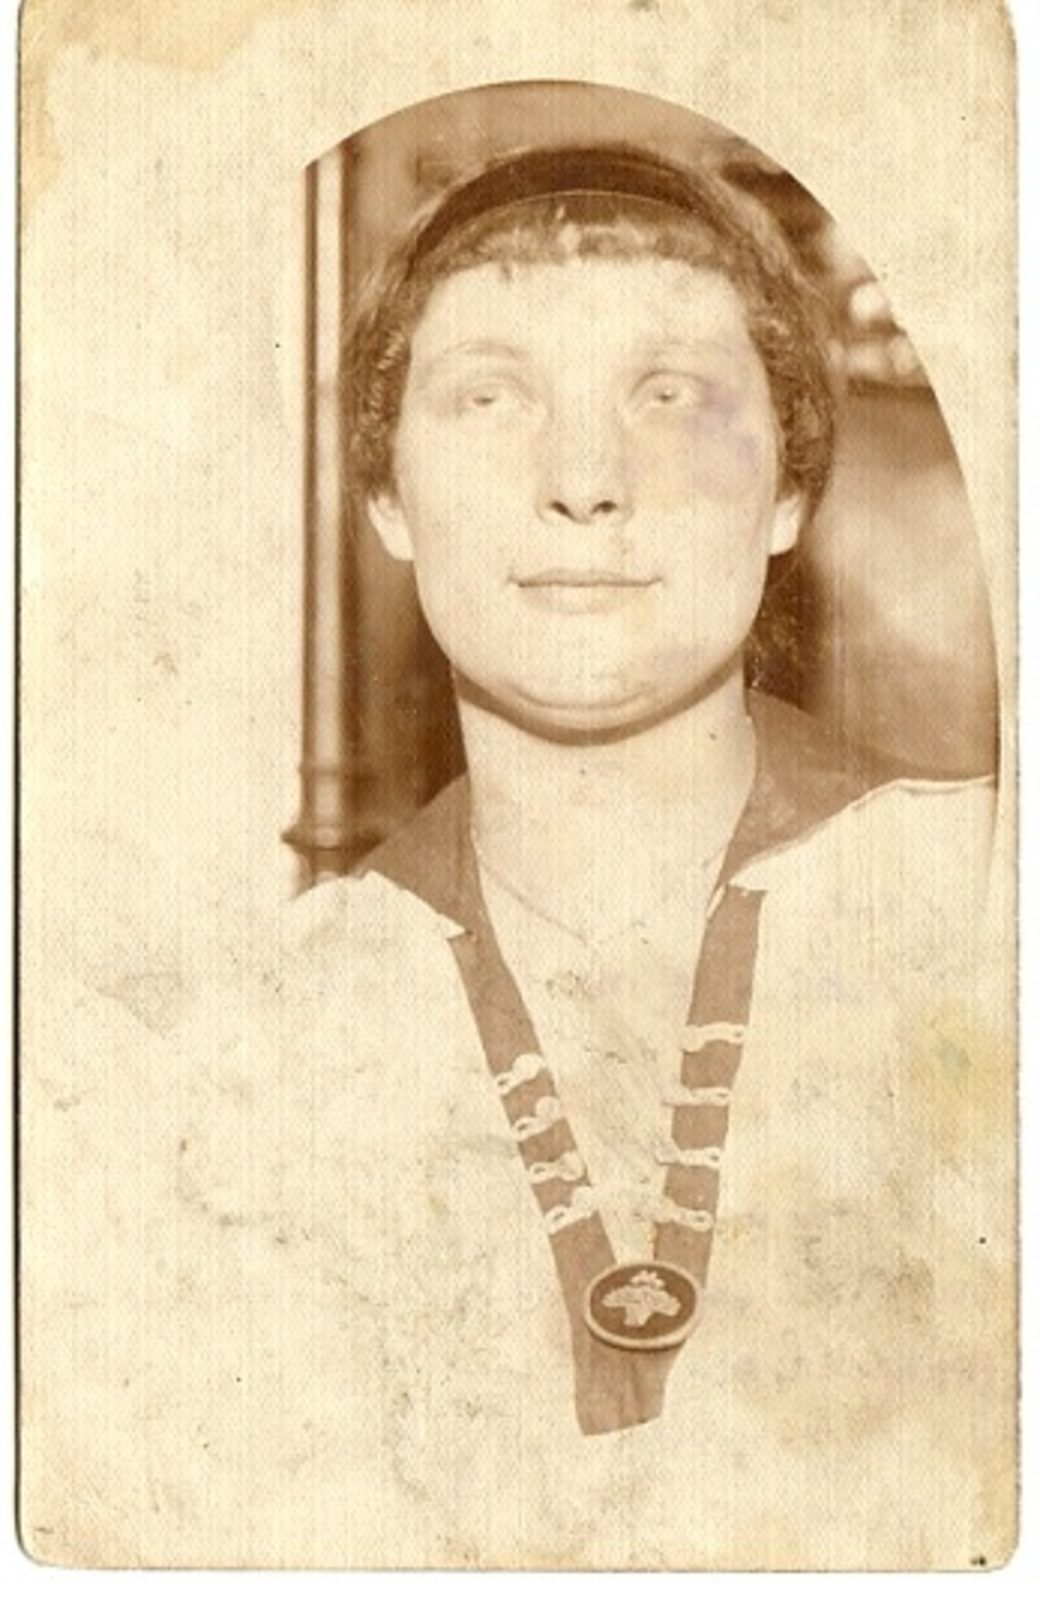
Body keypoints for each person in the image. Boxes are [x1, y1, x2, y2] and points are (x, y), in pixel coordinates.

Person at [183, 144, 1010, 1567]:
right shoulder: (264, 1036)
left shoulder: (986, 897)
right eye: (491, 396)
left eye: (669, 393)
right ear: (386, 495)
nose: (582, 480)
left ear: (790, 490)